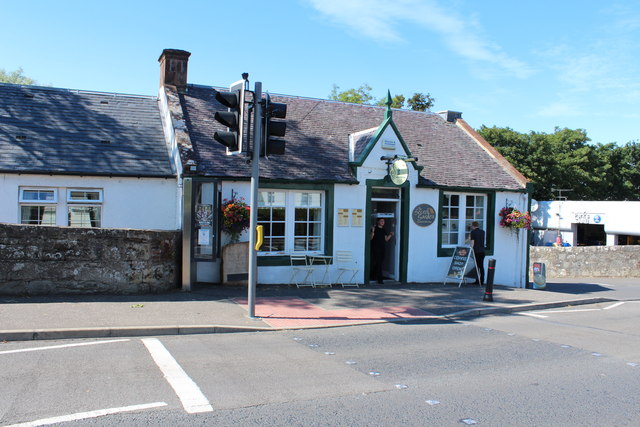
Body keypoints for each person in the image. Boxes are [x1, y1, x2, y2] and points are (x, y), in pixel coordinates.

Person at [370, 218, 394, 284]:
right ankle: (380, 279)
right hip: (375, 248)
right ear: (378, 222)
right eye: (381, 221)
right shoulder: (375, 228)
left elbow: (386, 239)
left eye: (383, 221)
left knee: (380, 262)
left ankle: (373, 276)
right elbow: (371, 238)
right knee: (378, 263)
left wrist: (390, 235)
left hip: (382, 248)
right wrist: (372, 231)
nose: (383, 222)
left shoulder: (383, 229)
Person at [469, 221, 486, 285]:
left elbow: (472, 242)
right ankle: (481, 281)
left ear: (473, 226)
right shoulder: (483, 232)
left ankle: (477, 280)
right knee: (481, 266)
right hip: (482, 251)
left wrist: (470, 249)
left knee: (477, 267)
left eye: (471, 226)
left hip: (476, 251)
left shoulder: (473, 232)